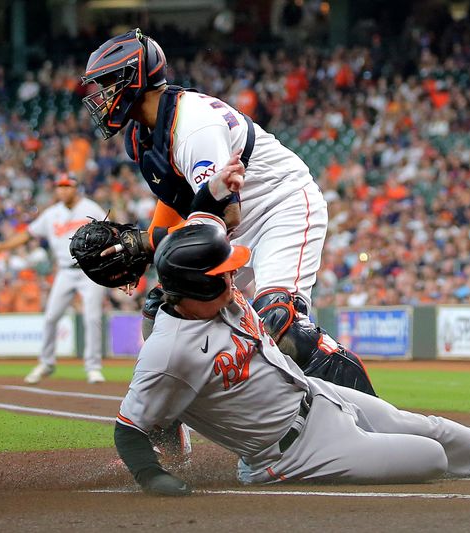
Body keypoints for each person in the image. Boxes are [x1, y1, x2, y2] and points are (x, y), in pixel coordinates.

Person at [113, 216, 470, 496]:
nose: (233, 279)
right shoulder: (169, 351)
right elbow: (129, 427)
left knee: (429, 427)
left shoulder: (217, 299)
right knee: (431, 456)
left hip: (318, 397)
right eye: (223, 273)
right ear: (196, 286)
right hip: (291, 453)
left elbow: (205, 230)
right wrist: (151, 475)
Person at [80, 28, 375, 396]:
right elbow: (176, 202)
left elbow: (224, 216)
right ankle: (166, 429)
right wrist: (148, 250)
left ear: (135, 78)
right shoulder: (143, 135)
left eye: (108, 83)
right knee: (161, 313)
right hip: (231, 225)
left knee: (279, 322)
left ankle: (370, 421)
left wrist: (147, 241)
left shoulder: (192, 126)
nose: (100, 95)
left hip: (278, 206)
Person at [0, 174, 108, 384]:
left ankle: (93, 367)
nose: (62, 190)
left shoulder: (92, 208)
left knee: (92, 318)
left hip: (91, 270)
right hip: (65, 271)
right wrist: (1, 247)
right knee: (51, 317)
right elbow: (27, 234)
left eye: (67, 186)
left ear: (76, 188)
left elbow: (110, 231)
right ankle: (46, 362)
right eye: (59, 187)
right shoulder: (52, 214)